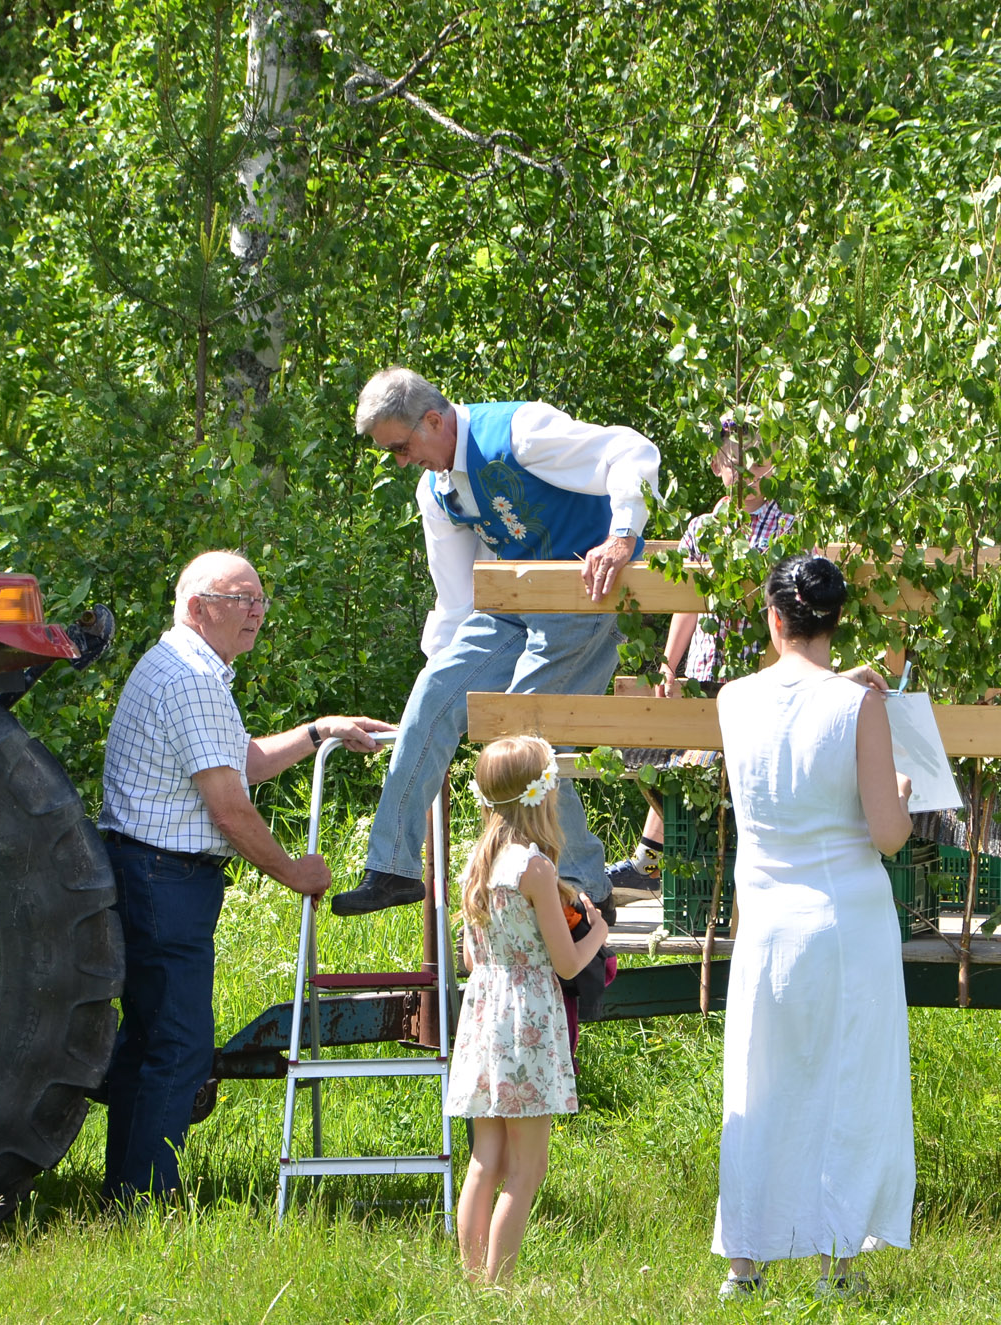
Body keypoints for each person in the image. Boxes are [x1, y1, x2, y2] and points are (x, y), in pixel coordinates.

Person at [96, 550, 393, 1201]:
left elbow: (241, 761)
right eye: (241, 599)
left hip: (155, 874)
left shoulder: (186, 665)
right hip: (163, 879)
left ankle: (128, 1191)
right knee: (177, 1044)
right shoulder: (192, 677)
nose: (256, 612)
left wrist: (319, 731)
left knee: (152, 1040)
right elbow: (230, 807)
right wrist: (295, 871)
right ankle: (143, 1198)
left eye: (260, 599)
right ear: (198, 606)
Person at [331, 366, 661, 916]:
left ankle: (585, 883)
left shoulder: (519, 432)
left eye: (401, 447)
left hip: (584, 592)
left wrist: (622, 536)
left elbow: (631, 450)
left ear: (433, 421)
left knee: (520, 735)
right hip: (511, 602)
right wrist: (444, 682)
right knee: (431, 697)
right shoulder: (434, 490)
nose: (401, 461)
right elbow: (457, 598)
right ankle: (392, 868)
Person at [712, 553, 916, 1302]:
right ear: (835, 621)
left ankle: (745, 1262)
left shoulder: (732, 699)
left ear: (775, 619)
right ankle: (837, 1262)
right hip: (844, 918)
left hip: (767, 916)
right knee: (847, 1083)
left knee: (759, 1081)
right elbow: (889, 832)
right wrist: (896, 784)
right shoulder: (860, 705)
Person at [609, 417, 797, 893]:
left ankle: (675, 863)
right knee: (669, 759)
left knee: (731, 768)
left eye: (755, 463)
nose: (745, 474)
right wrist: (668, 667)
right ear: (717, 467)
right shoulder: (703, 528)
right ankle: (652, 863)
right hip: (704, 670)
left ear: (772, 466)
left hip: (758, 671)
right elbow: (685, 608)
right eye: (734, 464)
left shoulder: (788, 527)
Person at [445, 734, 608, 1282]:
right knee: (527, 1166)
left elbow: (471, 957)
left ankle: (471, 1281)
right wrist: (598, 932)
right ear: (540, 796)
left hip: (484, 1014)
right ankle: (501, 1286)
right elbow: (565, 965)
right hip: (528, 1021)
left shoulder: (479, 864)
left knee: (485, 1160)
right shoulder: (534, 868)